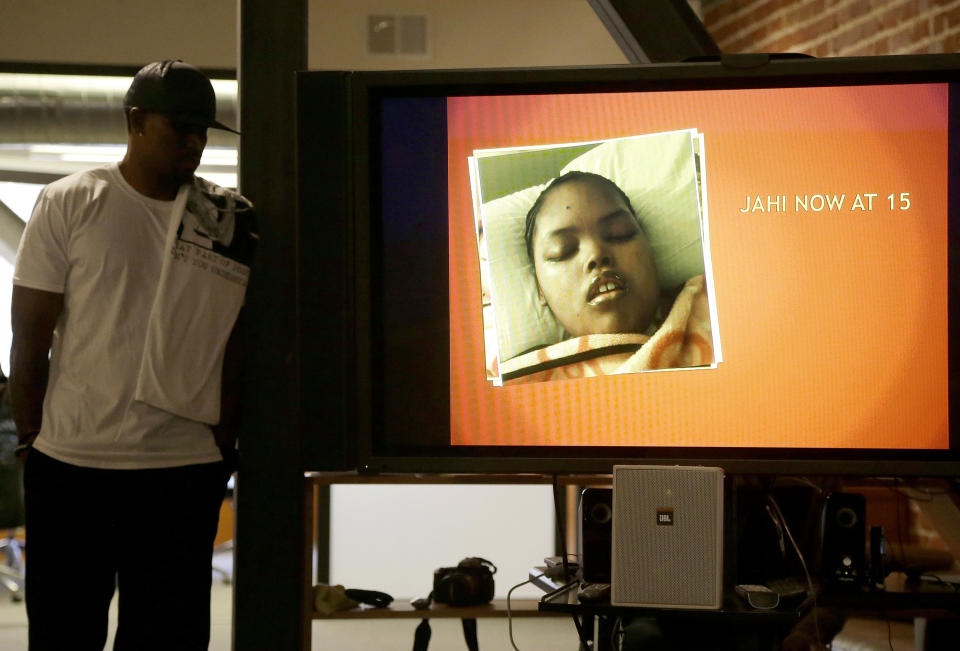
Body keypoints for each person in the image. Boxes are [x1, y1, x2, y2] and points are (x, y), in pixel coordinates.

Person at [9, 60, 256, 650]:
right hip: (73, 464)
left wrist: (222, 439)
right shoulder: (70, 201)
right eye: (180, 128)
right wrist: (30, 436)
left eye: (204, 131)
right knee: (64, 633)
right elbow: (31, 332)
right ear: (136, 121)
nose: (194, 143)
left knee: (167, 637)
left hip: (181, 467)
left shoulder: (228, 217)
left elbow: (238, 338)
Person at [512, 170, 712, 381]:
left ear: (649, 248)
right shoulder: (523, 375)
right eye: (563, 250)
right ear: (540, 289)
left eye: (619, 233)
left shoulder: (713, 303)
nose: (596, 254)